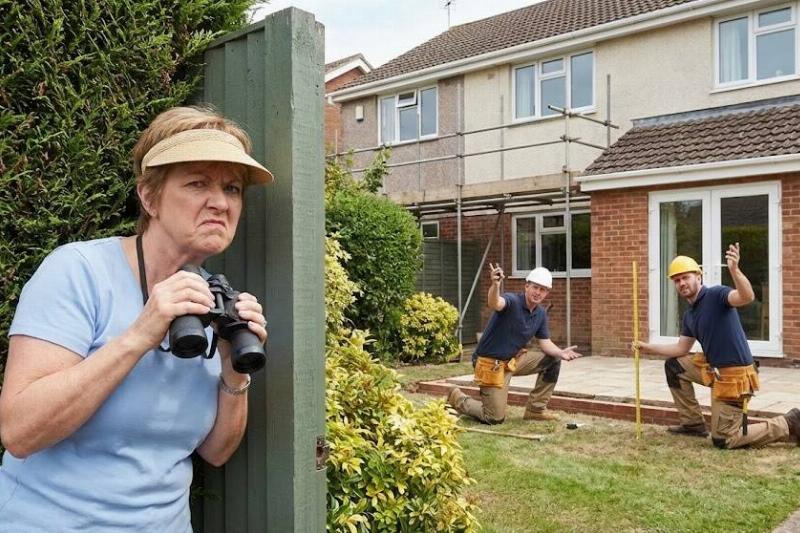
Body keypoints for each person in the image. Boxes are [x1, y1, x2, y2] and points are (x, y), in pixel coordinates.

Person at [0, 106, 273, 530]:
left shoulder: (213, 299)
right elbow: (19, 432)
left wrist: (232, 369)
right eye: (198, 182)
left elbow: (216, 452)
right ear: (149, 196)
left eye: (232, 188)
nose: (220, 202)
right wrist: (140, 334)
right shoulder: (78, 271)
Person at [634, 244, 800, 448]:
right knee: (674, 366)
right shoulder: (690, 315)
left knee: (724, 439)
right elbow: (681, 349)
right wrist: (646, 347)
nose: (681, 283)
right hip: (716, 371)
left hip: (735, 378)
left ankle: (789, 423)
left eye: (686, 277)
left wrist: (734, 270)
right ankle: (693, 424)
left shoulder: (717, 295)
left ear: (698, 276)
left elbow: (746, 297)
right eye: (677, 280)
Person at [447, 263, 581, 424]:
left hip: (513, 361)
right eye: (535, 287)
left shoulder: (540, 314)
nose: (538, 292)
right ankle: (457, 397)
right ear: (526, 286)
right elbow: (495, 302)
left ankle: (535, 410)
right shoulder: (512, 301)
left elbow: (545, 343)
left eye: (543, 289)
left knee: (553, 360)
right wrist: (495, 285)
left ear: (547, 293)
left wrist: (560, 352)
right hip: (490, 364)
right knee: (494, 417)